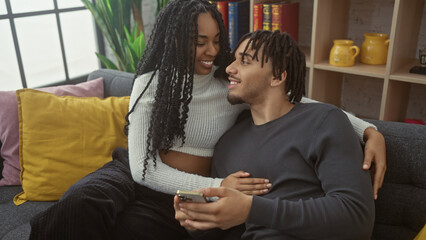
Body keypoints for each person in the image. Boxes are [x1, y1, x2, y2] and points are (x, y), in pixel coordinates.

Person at [29, 1, 385, 239]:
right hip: (138, 173)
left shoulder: (228, 84)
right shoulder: (150, 83)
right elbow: (143, 170)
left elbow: (292, 96)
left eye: (217, 40)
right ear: (176, 40)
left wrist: (369, 130)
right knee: (83, 202)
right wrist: (219, 185)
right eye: (200, 42)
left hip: (182, 194)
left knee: (134, 230)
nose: (213, 52)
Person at [174, 30, 376, 239]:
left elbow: (357, 217)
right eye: (234, 59)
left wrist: (252, 209)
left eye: (245, 61)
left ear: (277, 76)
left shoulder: (323, 122)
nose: (229, 68)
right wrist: (195, 220)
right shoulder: (228, 143)